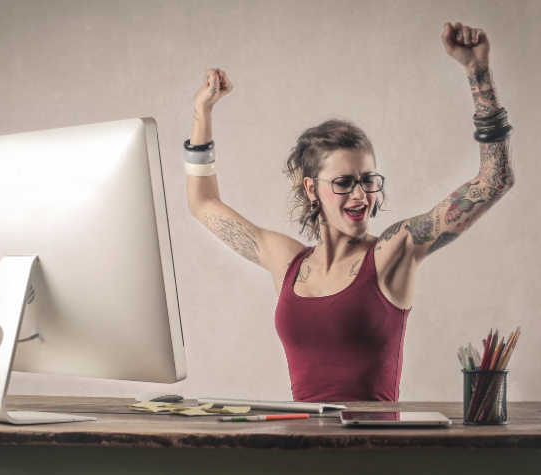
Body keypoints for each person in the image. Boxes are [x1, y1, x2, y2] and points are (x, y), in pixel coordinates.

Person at [184, 22, 515, 402]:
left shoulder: (393, 252)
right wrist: (202, 110)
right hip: (299, 453)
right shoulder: (287, 262)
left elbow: (494, 181)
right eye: (343, 183)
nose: (361, 195)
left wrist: (478, 72)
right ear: (312, 189)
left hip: (372, 456)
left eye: (368, 180)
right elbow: (203, 203)